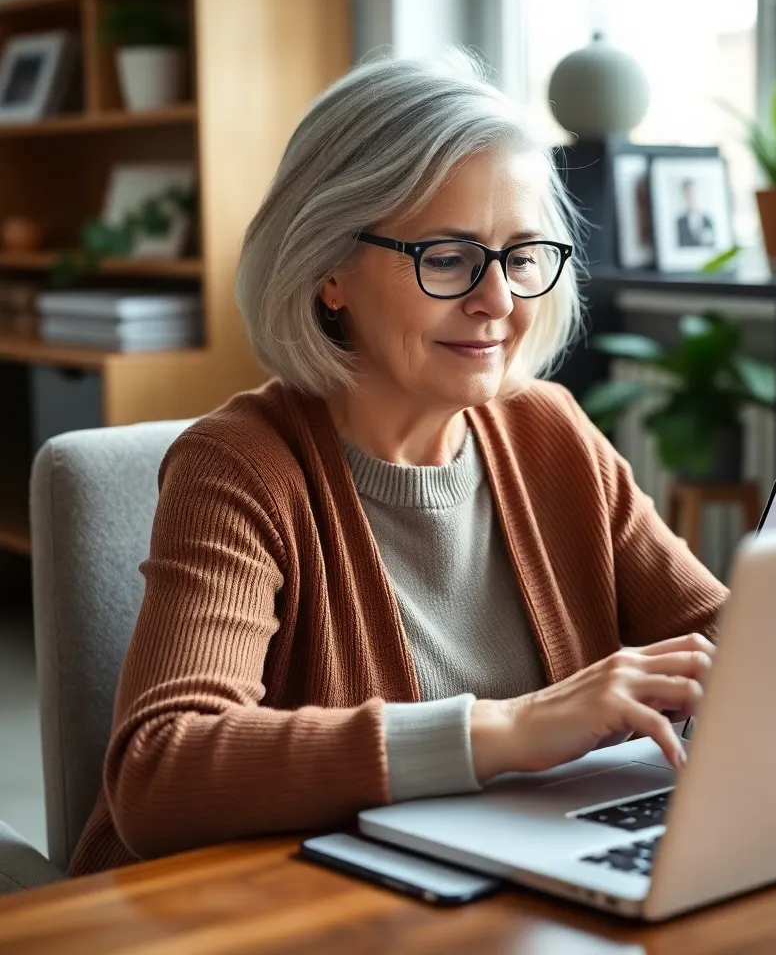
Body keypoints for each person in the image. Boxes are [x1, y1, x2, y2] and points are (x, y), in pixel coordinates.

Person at [69, 53, 728, 876]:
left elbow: (718, 639)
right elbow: (161, 772)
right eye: (448, 258)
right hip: (269, 913)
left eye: (522, 256)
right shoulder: (237, 467)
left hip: (502, 886)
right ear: (329, 271)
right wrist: (506, 731)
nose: (499, 302)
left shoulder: (549, 432)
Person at [676, 178, 716, 248]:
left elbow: (711, 244)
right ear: (684, 196)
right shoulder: (679, 222)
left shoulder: (707, 219)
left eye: (693, 193)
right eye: (687, 193)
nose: (691, 197)